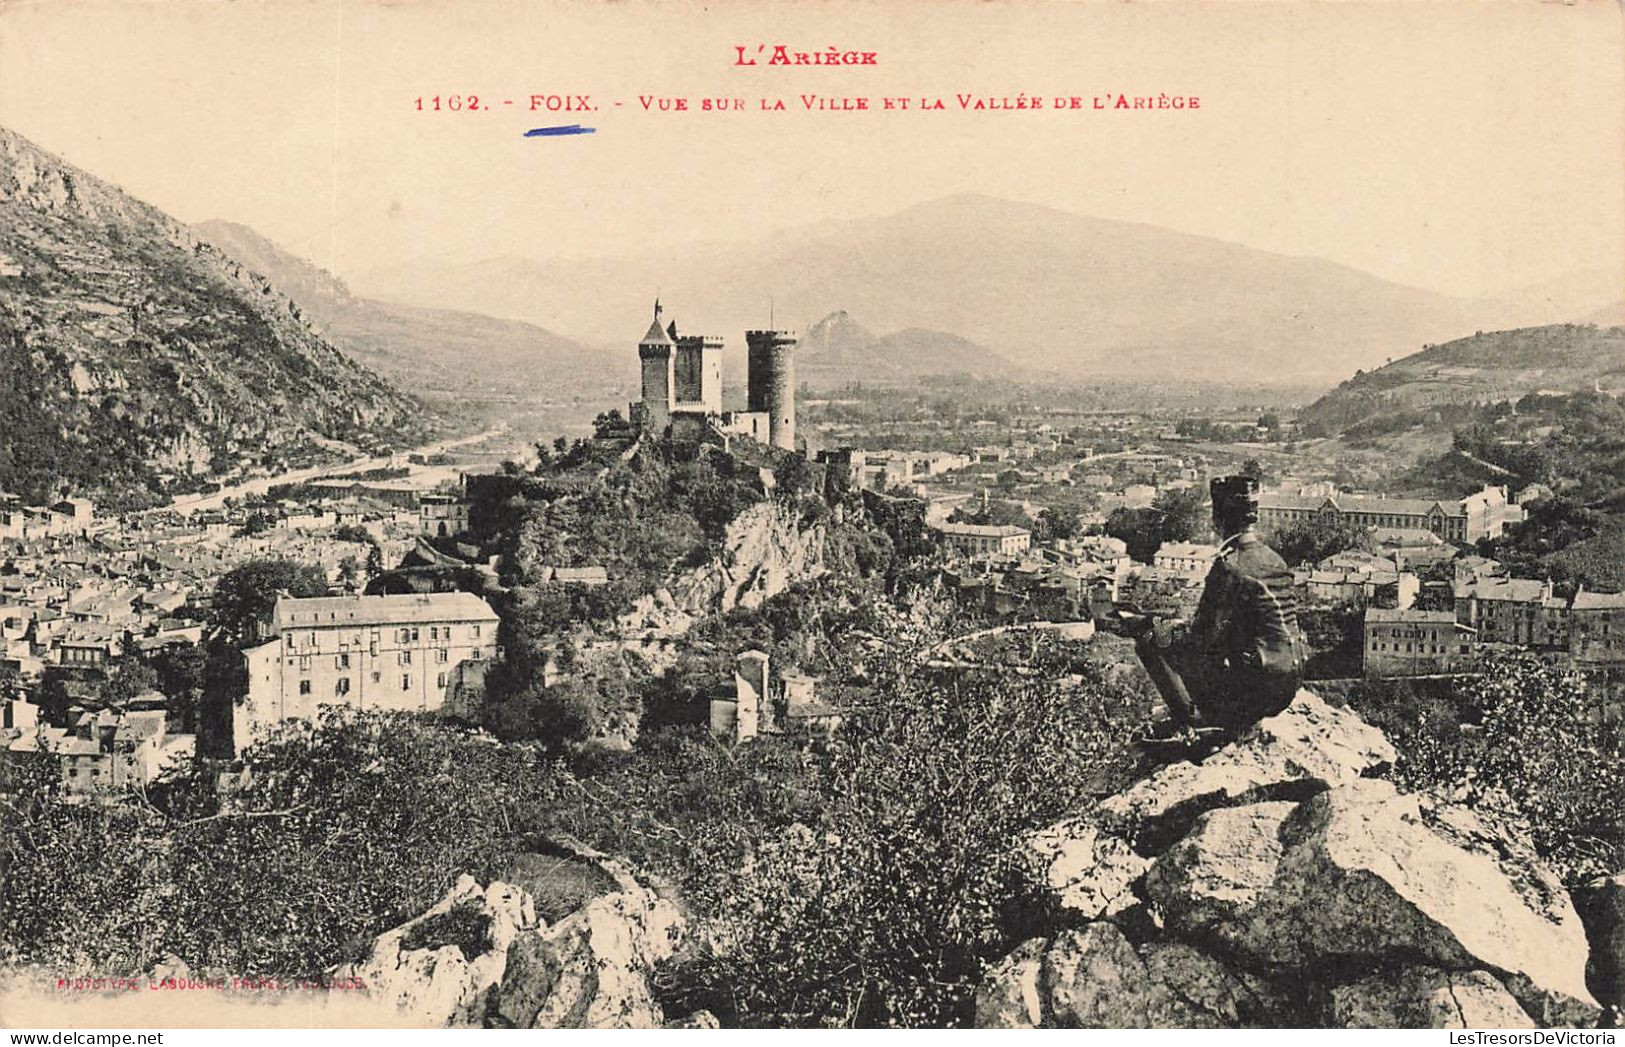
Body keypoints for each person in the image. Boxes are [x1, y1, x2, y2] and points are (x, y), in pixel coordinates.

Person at [1134, 474, 1304, 742]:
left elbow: (1200, 638)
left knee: (1150, 640)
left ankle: (1197, 724)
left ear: (1218, 519)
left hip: (1257, 688)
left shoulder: (1229, 566)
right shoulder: (1273, 558)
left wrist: (1158, 626)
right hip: (1288, 683)